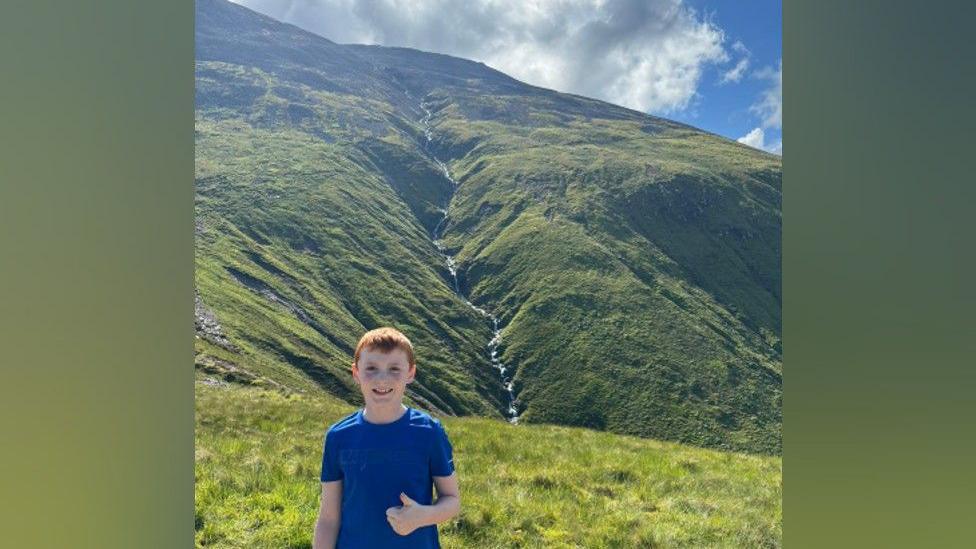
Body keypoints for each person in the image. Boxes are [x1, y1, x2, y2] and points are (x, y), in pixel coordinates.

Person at [313, 327, 461, 548]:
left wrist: (422, 516)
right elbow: (328, 519)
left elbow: (452, 500)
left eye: (394, 369)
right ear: (356, 373)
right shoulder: (338, 437)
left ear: (410, 373)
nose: (382, 379)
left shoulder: (429, 432)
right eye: (371, 368)